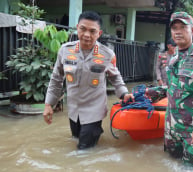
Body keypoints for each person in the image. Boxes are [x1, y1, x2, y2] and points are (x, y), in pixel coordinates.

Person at [43, 11, 134, 150]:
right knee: (77, 139)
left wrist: (124, 94)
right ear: (77, 27)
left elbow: (115, 77)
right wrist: (49, 104)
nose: (87, 35)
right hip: (74, 110)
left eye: (92, 31)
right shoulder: (65, 50)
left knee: (83, 151)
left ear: (99, 33)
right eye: (83, 29)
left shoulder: (107, 54)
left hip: (94, 110)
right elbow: (56, 78)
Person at [148, 12, 193, 167]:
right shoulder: (173, 59)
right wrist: (154, 92)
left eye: (182, 27)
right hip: (171, 127)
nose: (178, 32)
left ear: (192, 30)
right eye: (174, 28)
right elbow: (174, 87)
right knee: (170, 167)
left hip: (192, 130)